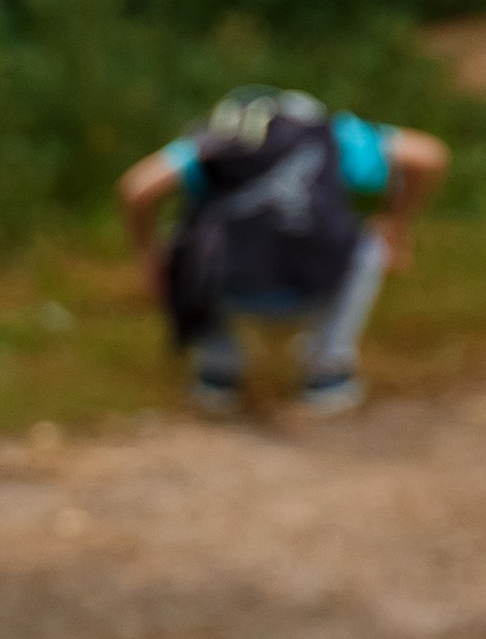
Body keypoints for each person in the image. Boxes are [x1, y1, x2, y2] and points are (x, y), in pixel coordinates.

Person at [117, 88, 450, 421]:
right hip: (316, 285)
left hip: (232, 290)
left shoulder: (217, 142)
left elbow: (136, 189)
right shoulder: (332, 135)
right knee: (370, 242)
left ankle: (217, 373)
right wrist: (397, 225)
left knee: (184, 239)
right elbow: (429, 155)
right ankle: (328, 374)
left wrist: (150, 259)